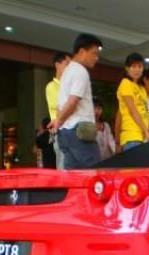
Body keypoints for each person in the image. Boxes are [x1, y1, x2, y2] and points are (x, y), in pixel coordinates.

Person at [48, 33, 102, 169]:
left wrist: (58, 121)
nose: (96, 58)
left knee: (73, 177)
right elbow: (73, 101)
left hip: (65, 133)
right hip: (80, 132)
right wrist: (58, 120)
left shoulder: (67, 71)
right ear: (82, 51)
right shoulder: (80, 71)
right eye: (94, 53)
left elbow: (62, 103)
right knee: (94, 174)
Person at [117, 53, 149, 151]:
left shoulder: (141, 88)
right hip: (131, 136)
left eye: (140, 66)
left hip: (143, 136)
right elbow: (133, 110)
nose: (137, 69)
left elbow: (146, 111)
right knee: (134, 166)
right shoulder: (125, 83)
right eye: (133, 66)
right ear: (127, 68)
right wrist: (145, 129)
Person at [45, 51, 71, 170]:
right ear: (57, 65)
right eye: (67, 64)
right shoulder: (52, 86)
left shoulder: (71, 86)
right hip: (61, 131)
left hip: (73, 132)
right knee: (63, 167)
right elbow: (61, 109)